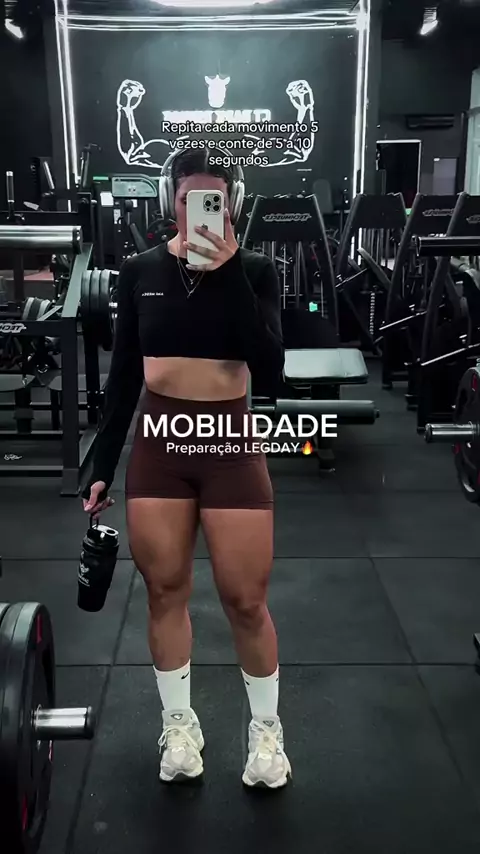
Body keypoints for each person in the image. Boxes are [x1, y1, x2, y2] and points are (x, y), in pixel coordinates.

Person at [82, 146, 290, 789]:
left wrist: (227, 274)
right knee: (165, 590)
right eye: (188, 199)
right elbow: (123, 376)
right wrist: (101, 461)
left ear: (232, 204)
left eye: (214, 200)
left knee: (246, 600)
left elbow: (270, 369)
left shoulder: (256, 271)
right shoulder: (139, 270)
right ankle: (179, 726)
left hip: (230, 441)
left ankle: (266, 735)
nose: (201, 211)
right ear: (170, 201)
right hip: (160, 446)